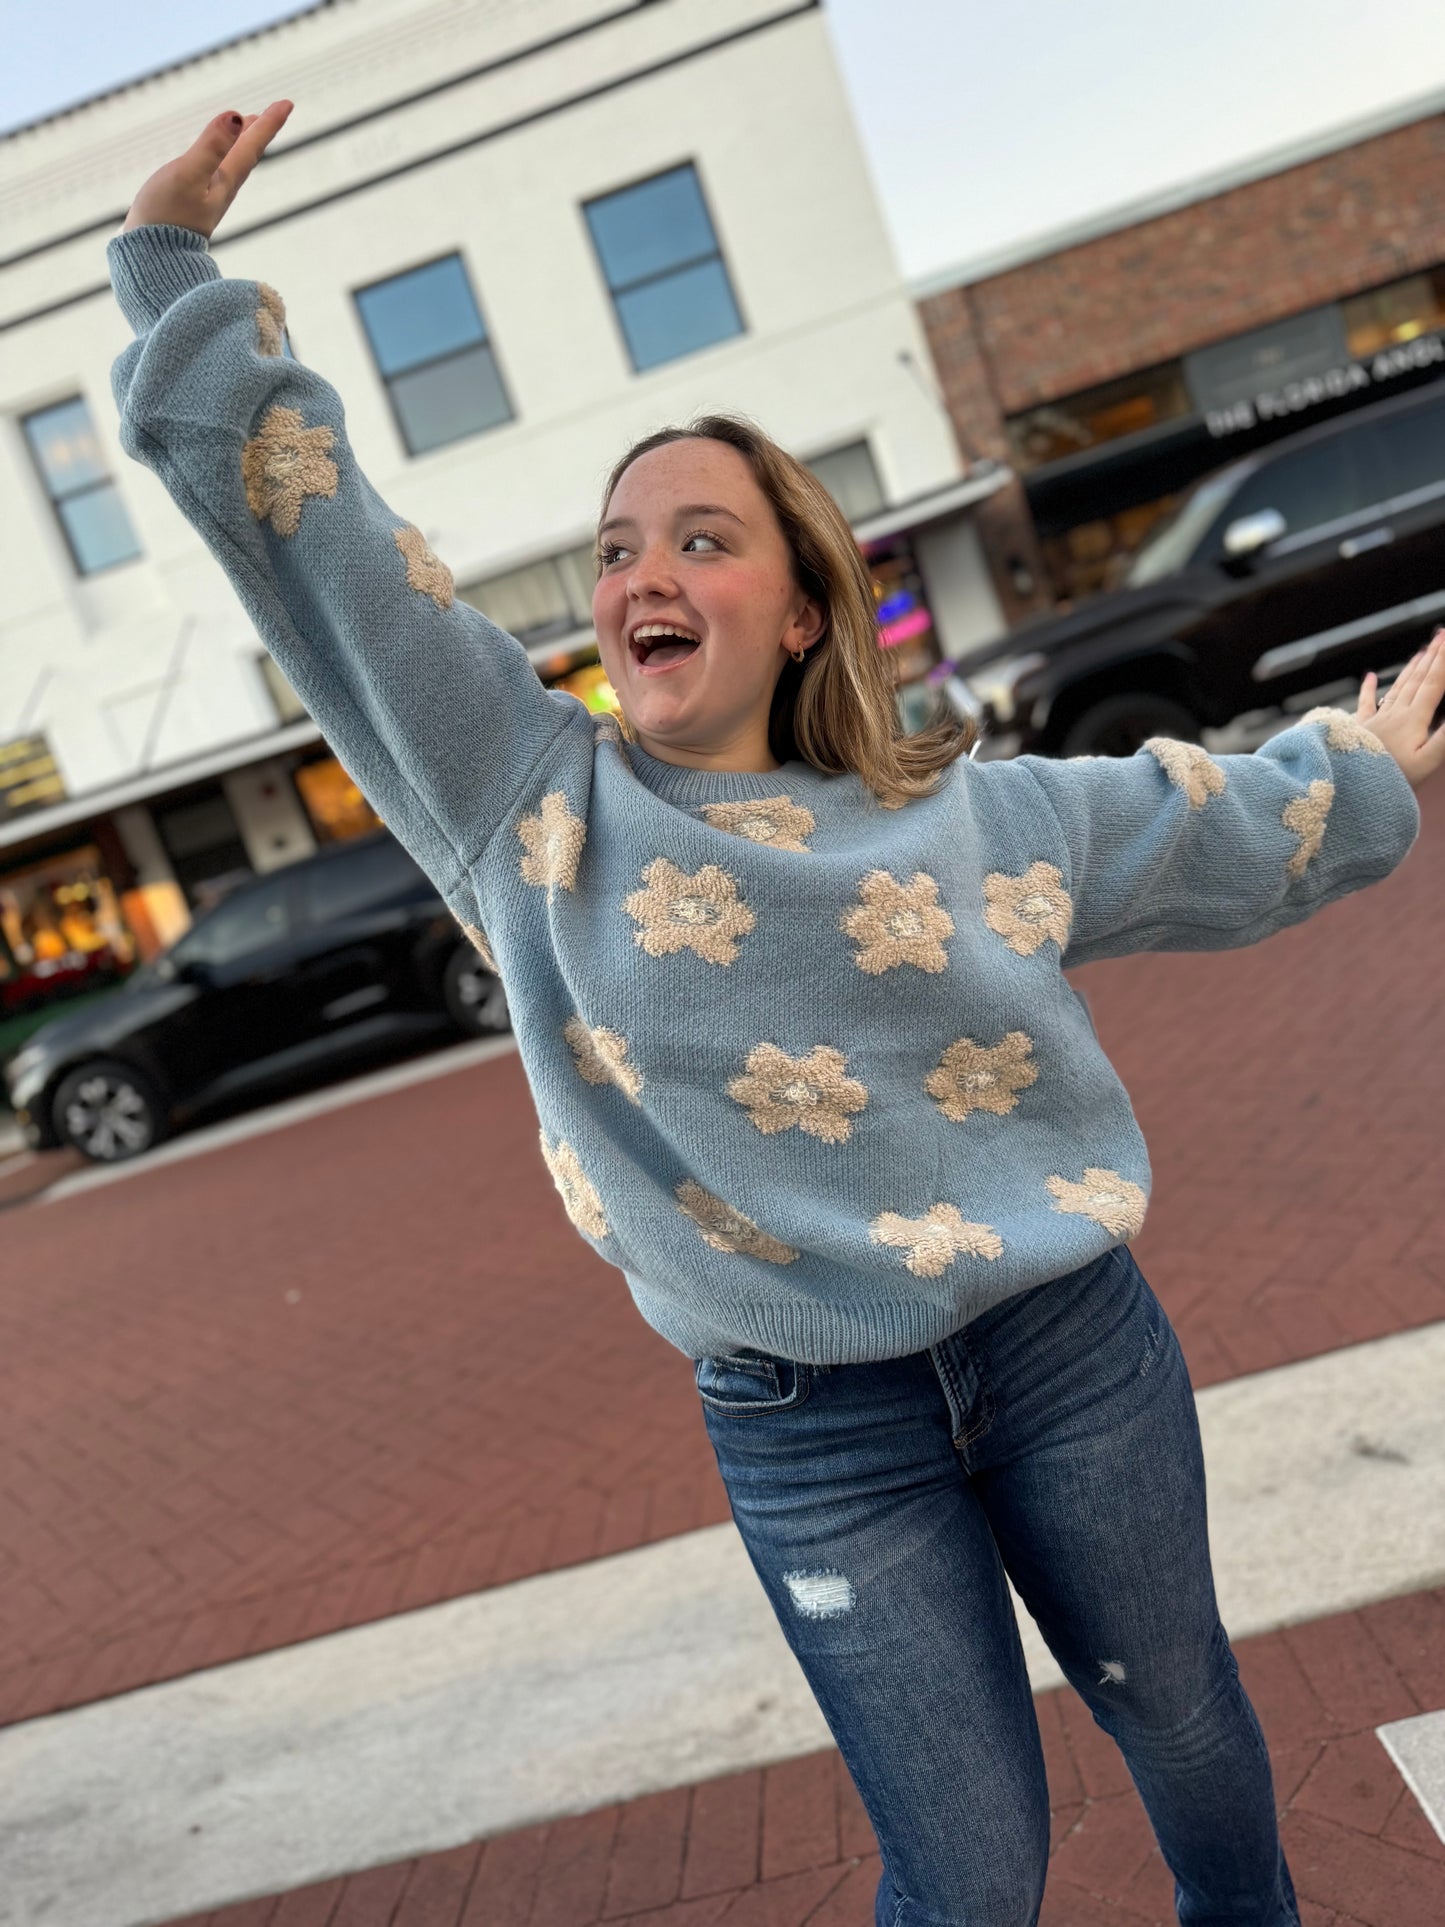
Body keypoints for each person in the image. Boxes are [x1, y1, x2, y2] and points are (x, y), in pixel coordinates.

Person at [109, 105, 1441, 1927]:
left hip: (1067, 1349)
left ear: (806, 605)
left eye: (702, 539)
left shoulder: (972, 820)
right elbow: (336, 558)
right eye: (615, 546)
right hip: (807, 1425)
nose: (640, 573)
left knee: (1191, 1725)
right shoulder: (528, 800)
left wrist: (1358, 764)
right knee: (965, 1879)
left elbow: (1195, 818)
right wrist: (175, 277)